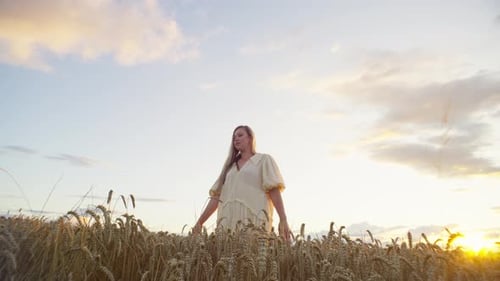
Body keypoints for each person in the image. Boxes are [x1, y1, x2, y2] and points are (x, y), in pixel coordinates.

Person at [193, 125, 291, 241]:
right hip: (227, 225)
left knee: (253, 256)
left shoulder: (264, 160)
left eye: (240, 135)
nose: (236, 139)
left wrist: (283, 218)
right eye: (234, 137)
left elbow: (274, 191)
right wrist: (200, 222)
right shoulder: (229, 167)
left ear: (250, 138)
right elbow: (216, 198)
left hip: (254, 223)